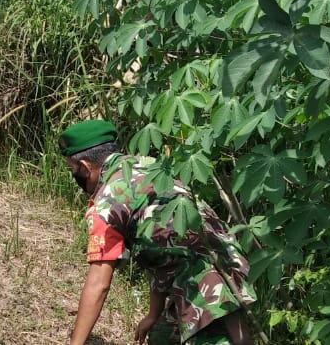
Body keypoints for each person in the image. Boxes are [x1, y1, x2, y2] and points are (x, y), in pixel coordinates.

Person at [60, 120, 255, 345]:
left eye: (73, 169)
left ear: (85, 166)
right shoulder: (150, 165)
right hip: (227, 263)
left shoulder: (109, 202)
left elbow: (99, 283)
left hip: (199, 286)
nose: (74, 175)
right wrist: (154, 314)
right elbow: (161, 246)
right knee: (162, 336)